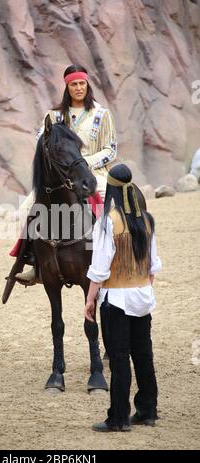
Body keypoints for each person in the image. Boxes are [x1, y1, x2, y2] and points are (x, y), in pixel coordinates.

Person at [14, 64, 117, 284]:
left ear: (87, 85)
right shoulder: (53, 116)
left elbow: (111, 150)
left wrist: (84, 162)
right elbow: (42, 146)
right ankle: (35, 262)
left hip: (92, 173)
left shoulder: (101, 114)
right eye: (74, 84)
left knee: (113, 210)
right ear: (67, 87)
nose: (79, 88)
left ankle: (114, 258)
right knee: (25, 208)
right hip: (60, 175)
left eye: (82, 83)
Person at [84, 163, 162, 432]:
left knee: (119, 357)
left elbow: (99, 269)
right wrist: (142, 288)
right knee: (143, 355)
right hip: (142, 296)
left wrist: (90, 300)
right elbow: (153, 267)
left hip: (116, 299)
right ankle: (147, 411)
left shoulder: (108, 221)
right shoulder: (147, 220)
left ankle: (118, 418)